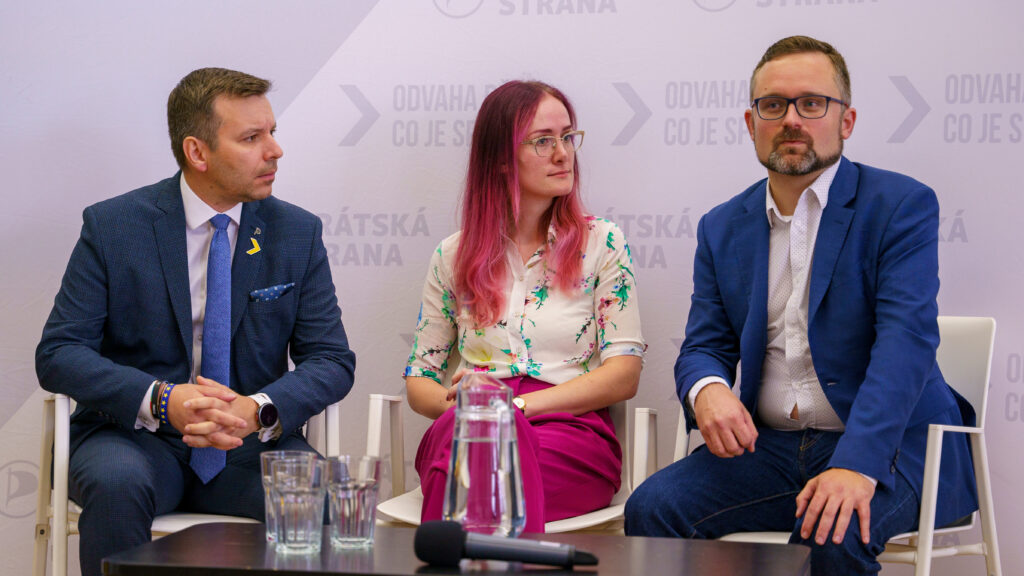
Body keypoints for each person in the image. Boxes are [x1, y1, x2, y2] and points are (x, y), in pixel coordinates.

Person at [624, 36, 977, 575]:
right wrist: (708, 389)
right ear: (751, 123)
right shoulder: (722, 226)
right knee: (653, 508)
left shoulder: (900, 205)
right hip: (770, 448)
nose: (791, 119)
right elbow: (703, 346)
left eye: (812, 103)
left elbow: (905, 345)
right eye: (774, 105)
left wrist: (857, 465)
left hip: (892, 443)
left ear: (846, 120)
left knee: (831, 532)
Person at [35, 67, 356, 576]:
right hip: (133, 438)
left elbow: (332, 360)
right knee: (117, 487)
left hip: (249, 446)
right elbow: (59, 353)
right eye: (251, 138)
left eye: (272, 132)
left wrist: (258, 409)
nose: (275, 150)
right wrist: (163, 400)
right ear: (197, 152)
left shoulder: (296, 232)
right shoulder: (114, 226)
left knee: (326, 501)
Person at [404, 80, 646, 533]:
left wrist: (512, 407)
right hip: (467, 425)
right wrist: (472, 406)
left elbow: (624, 374)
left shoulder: (603, 243)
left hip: (570, 433)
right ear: (500, 159)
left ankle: (450, 551)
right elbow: (420, 381)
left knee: (474, 472)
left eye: (567, 137)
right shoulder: (452, 256)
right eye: (543, 141)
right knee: (471, 449)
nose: (563, 153)